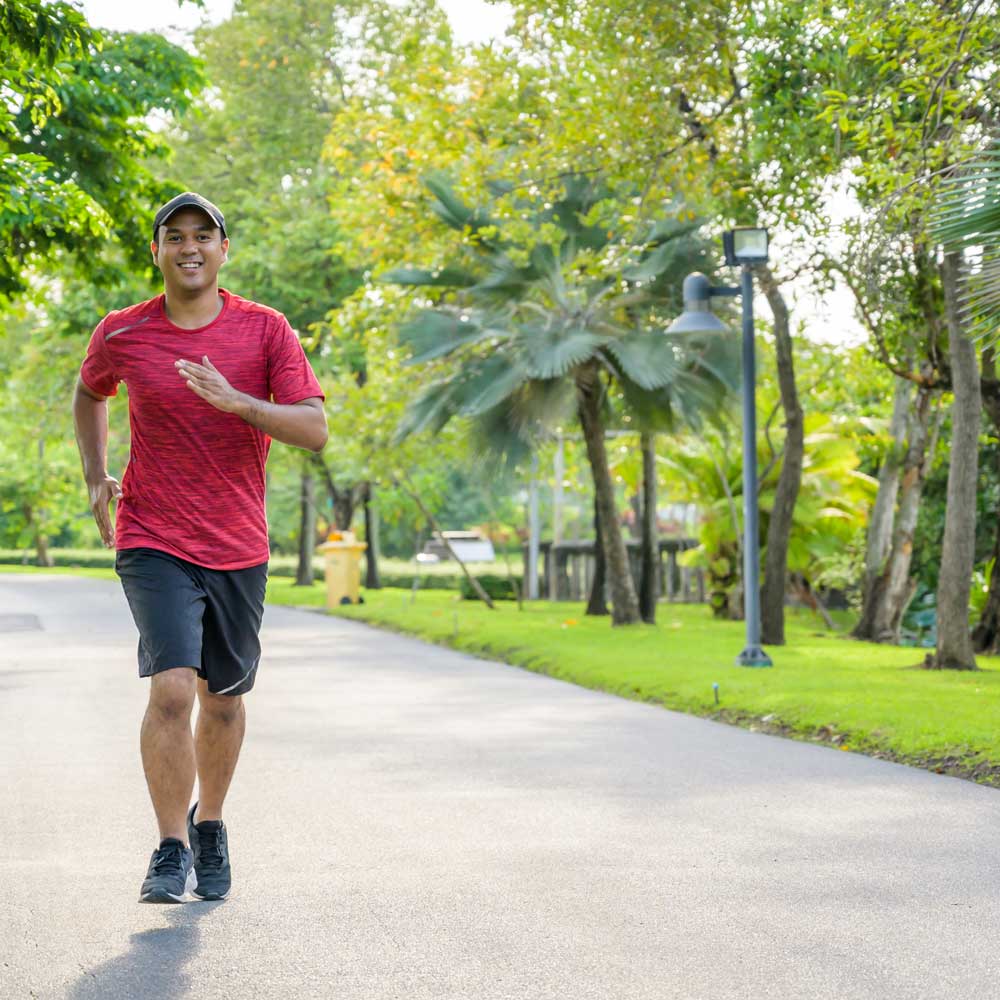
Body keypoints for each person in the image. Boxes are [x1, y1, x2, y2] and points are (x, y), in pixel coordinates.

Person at [72, 192, 328, 903]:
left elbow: (313, 430)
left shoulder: (266, 330)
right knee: (173, 688)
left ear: (223, 250)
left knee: (223, 700)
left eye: (203, 235)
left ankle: (208, 823)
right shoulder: (123, 332)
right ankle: (170, 847)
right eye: (175, 236)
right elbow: (90, 393)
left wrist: (240, 403)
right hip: (152, 534)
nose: (190, 247)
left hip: (237, 542)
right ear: (156, 251)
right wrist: (96, 476)